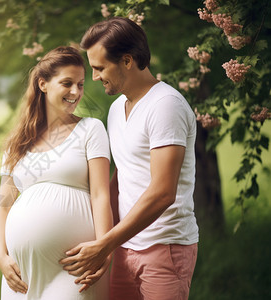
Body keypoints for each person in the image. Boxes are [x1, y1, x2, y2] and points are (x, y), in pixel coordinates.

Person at [59, 17, 199, 300]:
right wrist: (104, 239)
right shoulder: (116, 108)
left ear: (127, 60)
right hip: (124, 246)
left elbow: (162, 193)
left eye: (99, 68)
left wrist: (105, 244)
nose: (95, 77)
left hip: (164, 247)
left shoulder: (165, 106)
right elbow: (121, 176)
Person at [0, 46, 113, 299]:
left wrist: (105, 249)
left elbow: (101, 195)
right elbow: (3, 205)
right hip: (20, 273)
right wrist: (1, 256)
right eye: (67, 83)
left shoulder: (91, 129)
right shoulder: (18, 142)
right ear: (43, 84)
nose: (75, 92)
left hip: (74, 269)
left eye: (80, 85)